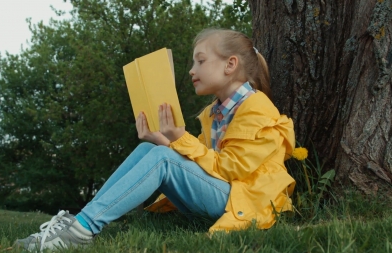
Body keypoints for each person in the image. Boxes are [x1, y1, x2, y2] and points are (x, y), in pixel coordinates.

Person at [15, 28, 296, 251]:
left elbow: (230, 168)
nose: (191, 70)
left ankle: (81, 231)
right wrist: (163, 138)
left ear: (230, 64)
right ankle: (78, 223)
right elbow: (197, 163)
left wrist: (179, 138)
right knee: (149, 147)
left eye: (200, 61)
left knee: (163, 156)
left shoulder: (256, 107)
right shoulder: (215, 111)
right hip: (223, 194)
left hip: (245, 202)